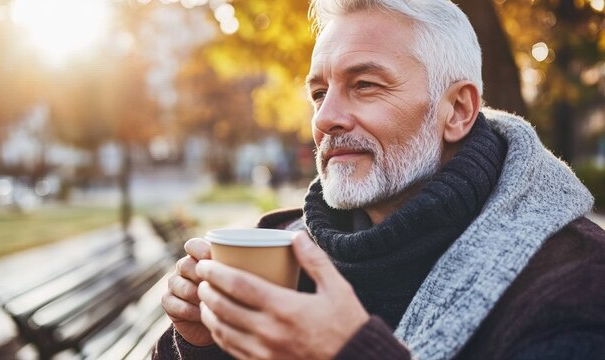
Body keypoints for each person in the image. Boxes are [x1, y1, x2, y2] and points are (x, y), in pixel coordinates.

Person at [154, 0, 605, 359]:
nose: (325, 118)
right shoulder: (278, 248)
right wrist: (201, 345)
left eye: (365, 85)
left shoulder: (575, 282)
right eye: (318, 93)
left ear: (458, 111)